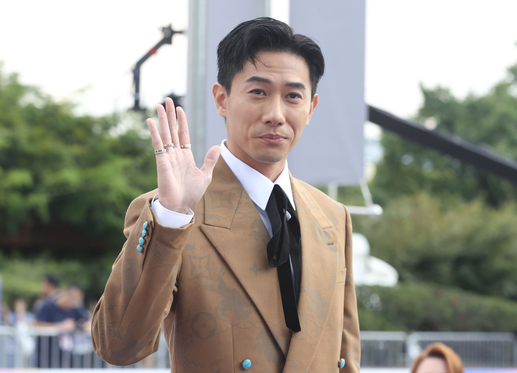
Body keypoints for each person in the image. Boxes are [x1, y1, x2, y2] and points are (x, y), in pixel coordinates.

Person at [92, 17, 360, 372]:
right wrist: (172, 216)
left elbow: (345, 356)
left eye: (293, 96)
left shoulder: (333, 216)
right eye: (258, 92)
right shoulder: (174, 214)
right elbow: (117, 346)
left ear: (310, 108)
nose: (276, 115)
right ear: (222, 98)